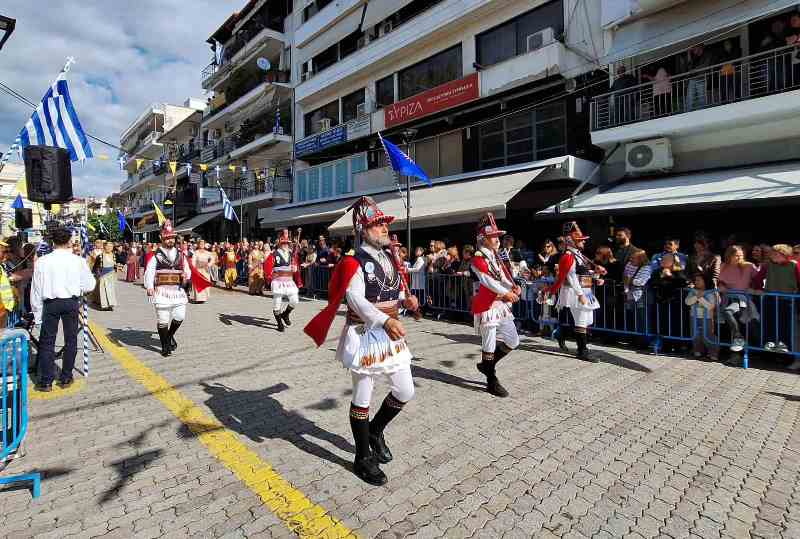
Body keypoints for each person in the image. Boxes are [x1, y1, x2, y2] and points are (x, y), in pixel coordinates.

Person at [304, 197, 418, 486]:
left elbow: (391, 291)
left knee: (405, 390)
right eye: (376, 224)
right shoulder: (353, 261)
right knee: (363, 396)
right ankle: (362, 456)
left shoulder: (390, 257)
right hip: (366, 334)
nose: (383, 228)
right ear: (362, 229)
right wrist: (385, 320)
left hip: (391, 333)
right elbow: (355, 299)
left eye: (383, 224)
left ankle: (376, 431)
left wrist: (407, 300)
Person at [30, 227, 96, 392]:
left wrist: (37, 314)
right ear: (69, 241)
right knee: (71, 339)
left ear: (53, 242)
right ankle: (66, 377)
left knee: (47, 342)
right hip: (70, 302)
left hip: (50, 304)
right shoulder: (78, 261)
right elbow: (90, 285)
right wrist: (80, 289)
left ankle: (46, 381)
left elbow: (36, 290)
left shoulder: (42, 261)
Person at [470, 213, 521, 397]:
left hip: (501, 305)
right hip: (487, 306)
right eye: (493, 236)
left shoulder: (495, 256)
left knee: (513, 340)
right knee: (489, 344)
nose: (497, 239)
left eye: (498, 236)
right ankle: (491, 380)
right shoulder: (478, 258)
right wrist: (506, 292)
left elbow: (503, 276)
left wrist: (514, 287)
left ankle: (486, 365)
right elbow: (487, 281)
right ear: (483, 239)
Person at [548, 222, 603, 361]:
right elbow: (570, 276)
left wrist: (596, 277)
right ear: (572, 242)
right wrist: (580, 295)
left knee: (587, 320)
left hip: (585, 290)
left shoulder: (577, 254)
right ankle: (582, 351)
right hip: (575, 292)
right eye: (580, 241)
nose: (583, 243)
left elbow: (583, 272)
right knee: (581, 321)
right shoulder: (569, 255)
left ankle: (562, 333)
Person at [143, 220, 191, 357]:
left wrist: (186, 276)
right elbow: (149, 271)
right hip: (161, 291)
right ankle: (165, 346)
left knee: (180, 316)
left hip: (177, 291)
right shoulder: (155, 255)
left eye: (172, 238)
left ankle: (169, 337)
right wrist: (149, 286)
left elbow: (187, 269)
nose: (170, 240)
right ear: (162, 238)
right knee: (163, 319)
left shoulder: (181, 254)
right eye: (167, 237)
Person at [752, 244, 800, 363]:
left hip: (787, 300)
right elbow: (758, 279)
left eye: (775, 253)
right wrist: (759, 289)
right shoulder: (767, 265)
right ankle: (769, 354)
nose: (772, 255)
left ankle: (786, 355)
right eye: (772, 253)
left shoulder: (794, 265)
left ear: (783, 254)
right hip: (770, 298)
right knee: (769, 325)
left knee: (785, 327)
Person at [718, 245, 759, 360]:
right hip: (727, 298)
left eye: (741, 255)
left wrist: (755, 289)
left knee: (730, 314)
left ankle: (738, 338)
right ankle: (735, 354)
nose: (739, 258)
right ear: (729, 255)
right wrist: (721, 286)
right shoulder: (723, 266)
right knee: (729, 325)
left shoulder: (749, 266)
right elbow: (720, 281)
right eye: (736, 255)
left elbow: (759, 279)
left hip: (743, 300)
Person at [264, 229, 302, 332]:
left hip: (289, 281)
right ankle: (279, 324)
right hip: (278, 281)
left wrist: (295, 267)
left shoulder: (291, 254)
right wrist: (269, 277)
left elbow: (295, 265)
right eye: (284, 243)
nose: (286, 244)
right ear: (280, 243)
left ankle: (285, 314)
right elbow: (267, 266)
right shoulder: (274, 254)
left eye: (287, 243)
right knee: (277, 302)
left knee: (294, 300)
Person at [685, 274, 720, 361]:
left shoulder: (711, 292)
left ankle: (713, 352)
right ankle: (698, 350)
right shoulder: (692, 291)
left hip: (707, 317)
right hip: (694, 316)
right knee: (695, 334)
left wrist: (700, 298)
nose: (696, 282)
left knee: (708, 335)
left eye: (699, 280)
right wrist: (697, 296)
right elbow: (687, 302)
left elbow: (710, 306)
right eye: (695, 280)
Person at [93, 241, 118, 311]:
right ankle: (104, 305)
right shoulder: (100, 256)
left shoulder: (113, 255)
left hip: (111, 275)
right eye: (108, 246)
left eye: (111, 246)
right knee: (103, 291)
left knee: (111, 291)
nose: (110, 248)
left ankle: (111, 304)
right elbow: (95, 267)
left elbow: (115, 265)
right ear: (105, 247)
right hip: (103, 275)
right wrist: (98, 274)